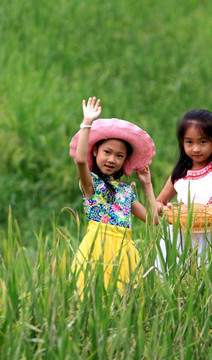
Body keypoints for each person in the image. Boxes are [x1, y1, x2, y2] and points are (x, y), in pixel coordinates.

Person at [155, 64, 212, 272]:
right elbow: (159, 203)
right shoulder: (180, 176)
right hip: (181, 241)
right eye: (189, 142)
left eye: (202, 142)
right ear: (182, 142)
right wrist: (166, 210)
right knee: (181, 286)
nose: (195, 148)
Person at [69, 96, 157, 296]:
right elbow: (80, 160)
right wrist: (87, 124)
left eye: (119, 156)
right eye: (107, 152)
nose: (112, 159)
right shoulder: (91, 184)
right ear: (95, 152)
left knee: (124, 302)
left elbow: (153, 220)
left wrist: (147, 184)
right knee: (92, 298)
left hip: (125, 253)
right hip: (96, 249)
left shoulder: (126, 191)